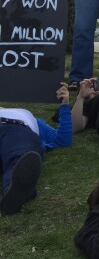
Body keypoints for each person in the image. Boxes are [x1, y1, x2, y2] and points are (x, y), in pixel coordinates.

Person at [0, 84, 72, 215]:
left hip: (16, 129)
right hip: (17, 134)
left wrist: (65, 105)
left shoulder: (32, 120)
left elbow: (62, 140)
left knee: (20, 155)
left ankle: (15, 191)